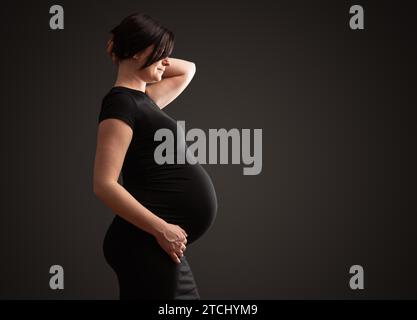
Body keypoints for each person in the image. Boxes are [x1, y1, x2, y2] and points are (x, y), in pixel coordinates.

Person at [93, 12, 218, 300]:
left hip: (155, 243)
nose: (166, 61)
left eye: (166, 55)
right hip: (147, 240)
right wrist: (162, 229)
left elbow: (188, 69)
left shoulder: (144, 100)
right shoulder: (120, 104)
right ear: (137, 52)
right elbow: (104, 184)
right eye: (160, 54)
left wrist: (134, 51)